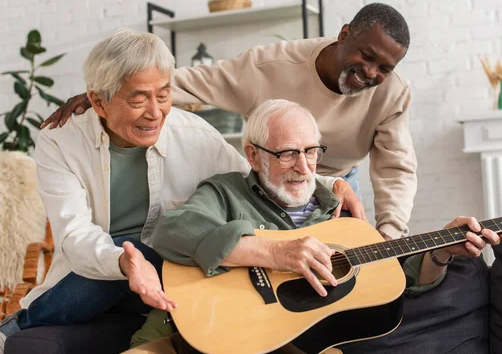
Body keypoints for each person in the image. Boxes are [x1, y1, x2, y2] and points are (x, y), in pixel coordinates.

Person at [0, 30, 362, 354]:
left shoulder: (193, 133)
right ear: (97, 102)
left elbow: (255, 171)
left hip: (170, 274)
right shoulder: (60, 141)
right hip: (95, 278)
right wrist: (124, 263)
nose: (156, 112)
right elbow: (74, 235)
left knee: (153, 254)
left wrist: (329, 183)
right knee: (129, 253)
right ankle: (14, 330)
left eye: (163, 94)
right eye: (139, 99)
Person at [124, 99, 502, 354]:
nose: (305, 167)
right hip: (186, 333)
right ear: (254, 156)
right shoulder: (225, 192)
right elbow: (173, 230)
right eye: (289, 153)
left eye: (311, 151)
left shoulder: (339, 218)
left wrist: (441, 252)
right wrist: (275, 253)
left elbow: (401, 278)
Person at [42, 2, 418, 240]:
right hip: (269, 179)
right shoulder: (268, 66)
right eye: (365, 56)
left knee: (342, 269)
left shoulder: (393, 93)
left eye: (384, 67)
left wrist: (391, 236)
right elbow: (189, 83)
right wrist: (105, 95)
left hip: (334, 185)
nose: (369, 73)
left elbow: (396, 170)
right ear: (344, 35)